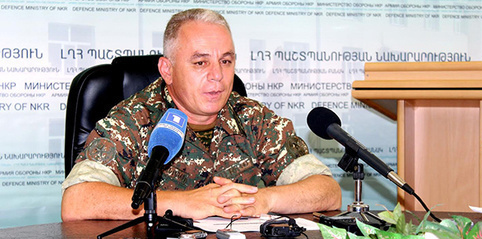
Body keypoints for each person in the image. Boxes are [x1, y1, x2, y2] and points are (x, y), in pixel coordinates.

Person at [61, 8, 341, 221]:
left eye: (226, 61)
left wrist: (265, 200)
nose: (217, 75)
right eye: (200, 62)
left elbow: (327, 191)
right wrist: (179, 203)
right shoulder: (133, 119)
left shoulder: (253, 118)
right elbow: (76, 202)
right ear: (167, 70)